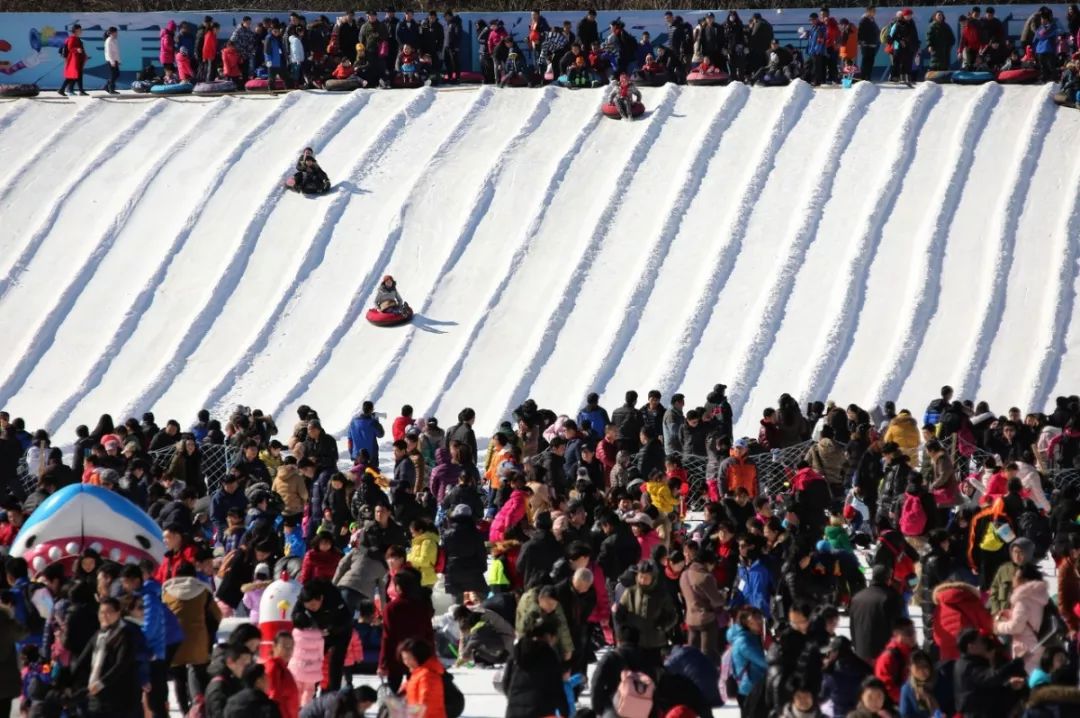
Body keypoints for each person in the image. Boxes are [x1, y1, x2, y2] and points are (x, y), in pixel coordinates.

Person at [502, 615, 569, 718]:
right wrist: (564, 711)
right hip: (540, 711)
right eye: (554, 637)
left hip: (513, 712)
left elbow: (506, 682)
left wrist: (515, 700)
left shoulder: (517, 651)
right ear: (548, 635)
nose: (554, 641)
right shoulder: (548, 654)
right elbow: (556, 687)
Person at [993, 561, 1049, 672]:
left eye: (1016, 576)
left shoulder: (1023, 600)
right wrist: (1010, 613)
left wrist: (998, 626)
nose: (1013, 579)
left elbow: (1016, 626)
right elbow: (1028, 616)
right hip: (1033, 643)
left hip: (1024, 648)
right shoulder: (1034, 596)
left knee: (1026, 682)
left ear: (1025, 581)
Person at [399, 638, 445, 718]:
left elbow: (425, 705)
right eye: (404, 659)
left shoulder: (428, 676)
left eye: (408, 658)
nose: (406, 662)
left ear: (420, 656)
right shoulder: (417, 674)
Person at [59, 24, 88, 96]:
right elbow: (70, 48)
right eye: (80, 30)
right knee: (73, 76)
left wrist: (85, 55)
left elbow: (80, 49)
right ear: (76, 30)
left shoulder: (77, 38)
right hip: (74, 60)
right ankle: (63, 90)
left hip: (78, 59)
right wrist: (77, 49)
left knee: (76, 76)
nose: (81, 31)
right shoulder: (72, 38)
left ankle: (65, 90)